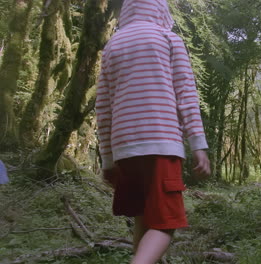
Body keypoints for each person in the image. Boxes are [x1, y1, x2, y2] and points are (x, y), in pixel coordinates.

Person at [95, 0, 211, 263]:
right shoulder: (168, 38)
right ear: (160, 9)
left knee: (144, 217)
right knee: (165, 224)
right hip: (162, 144)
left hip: (124, 149)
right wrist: (198, 145)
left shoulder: (112, 45)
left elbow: (102, 106)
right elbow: (186, 94)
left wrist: (108, 160)